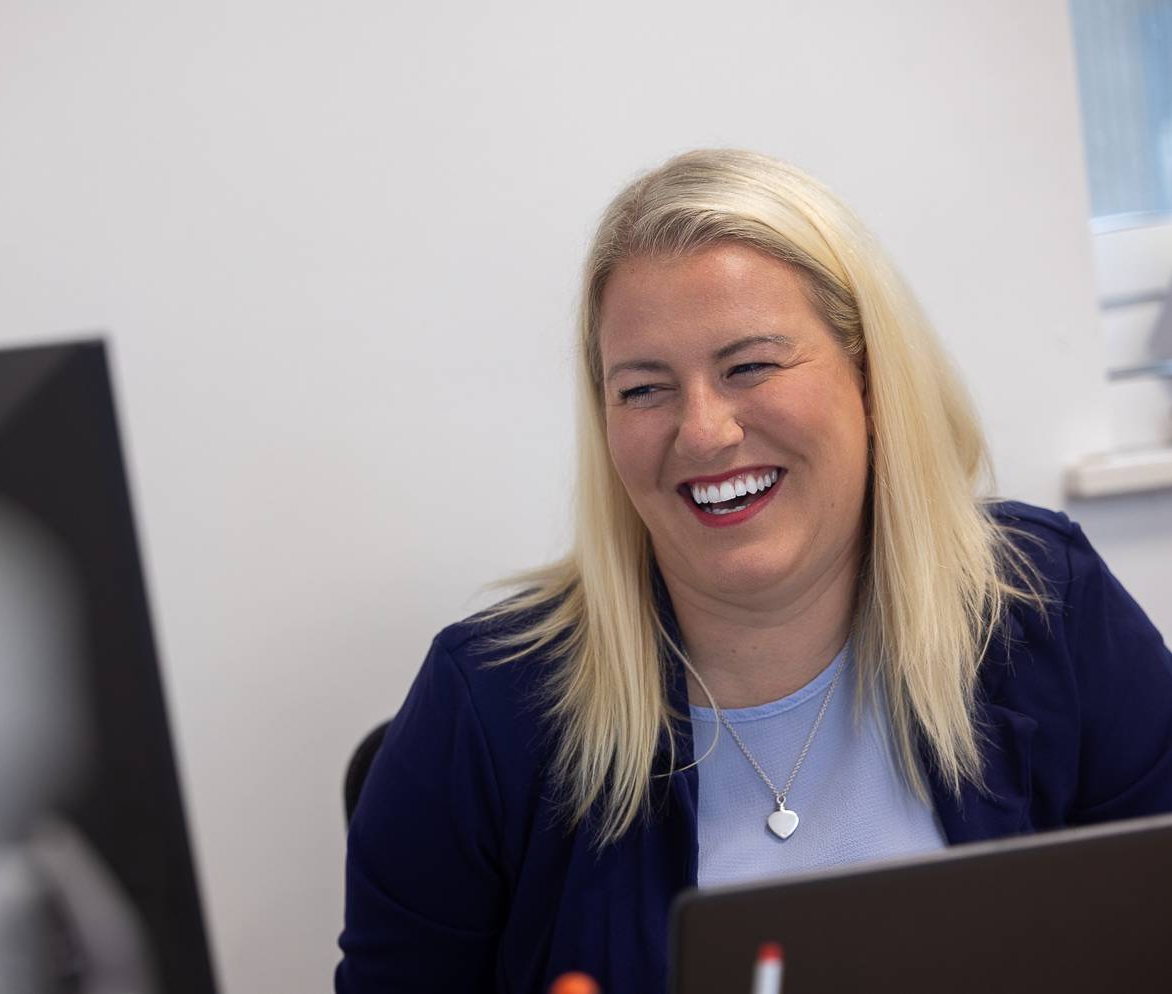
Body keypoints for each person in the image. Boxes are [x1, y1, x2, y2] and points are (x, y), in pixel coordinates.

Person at [334, 149, 1172, 994]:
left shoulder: (1040, 602)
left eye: (751, 367)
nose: (702, 434)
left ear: (872, 380)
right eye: (644, 389)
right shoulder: (486, 706)